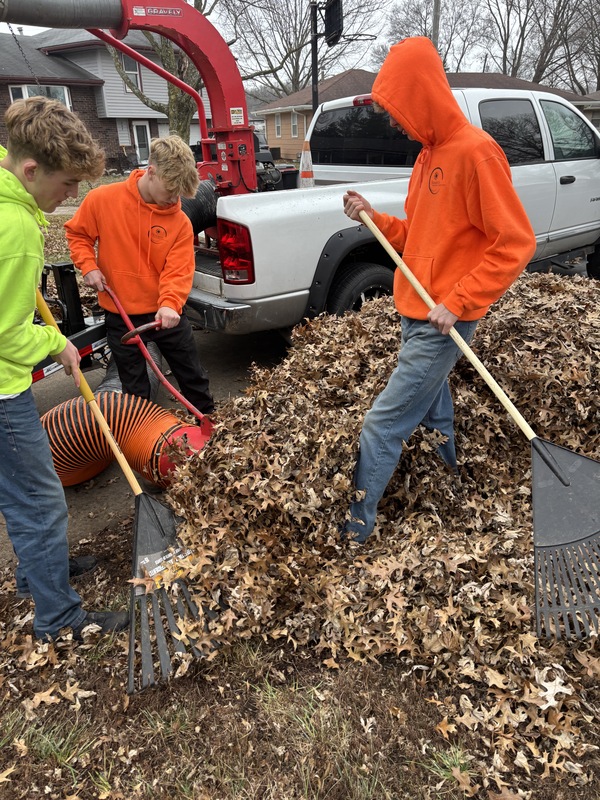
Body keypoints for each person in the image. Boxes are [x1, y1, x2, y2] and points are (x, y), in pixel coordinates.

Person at [341, 37, 537, 543]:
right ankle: (450, 480)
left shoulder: (477, 153)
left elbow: (515, 242)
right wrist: (373, 217)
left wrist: (460, 301)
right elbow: (418, 236)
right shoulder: (427, 156)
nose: (398, 124)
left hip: (443, 318)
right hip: (416, 307)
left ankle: (356, 528)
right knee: (433, 407)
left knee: (382, 423)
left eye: (399, 111)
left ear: (422, 96)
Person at [0, 96, 129, 639]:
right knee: (41, 501)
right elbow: (8, 333)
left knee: (22, 496)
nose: (72, 195)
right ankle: (58, 618)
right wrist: (56, 343)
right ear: (31, 170)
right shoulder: (15, 229)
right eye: (68, 182)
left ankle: (37, 574)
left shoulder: (8, 190)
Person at [65, 135, 214, 416]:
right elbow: (78, 234)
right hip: (121, 315)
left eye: (180, 194)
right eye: (171, 190)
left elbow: (178, 270)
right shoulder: (103, 200)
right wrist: (88, 266)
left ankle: (207, 423)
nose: (174, 199)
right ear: (151, 172)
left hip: (165, 314)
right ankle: (142, 431)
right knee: (134, 386)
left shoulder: (180, 222)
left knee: (192, 375)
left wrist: (170, 304)